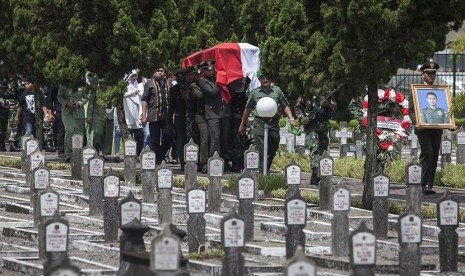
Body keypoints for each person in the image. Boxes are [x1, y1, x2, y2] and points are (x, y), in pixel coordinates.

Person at [239, 70, 295, 171]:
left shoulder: (276, 91)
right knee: (262, 148)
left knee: (273, 146)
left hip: (273, 122)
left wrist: (291, 118)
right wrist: (242, 124)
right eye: (262, 78)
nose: (265, 80)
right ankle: (262, 170)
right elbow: (247, 109)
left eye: (267, 78)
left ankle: (266, 166)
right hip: (259, 122)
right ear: (259, 80)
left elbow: (285, 105)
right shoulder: (255, 93)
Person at [409, 61, 443, 195]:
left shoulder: (440, 91)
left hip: (436, 128)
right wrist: (417, 122)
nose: (431, 76)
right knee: (427, 152)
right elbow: (411, 110)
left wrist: (450, 123)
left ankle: (429, 184)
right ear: (423, 75)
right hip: (422, 128)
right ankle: (423, 183)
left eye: (433, 74)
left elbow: (445, 111)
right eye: (429, 74)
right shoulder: (417, 90)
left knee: (434, 154)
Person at [296, 95, 337, 185]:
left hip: (322, 126)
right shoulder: (306, 92)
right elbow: (297, 108)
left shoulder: (328, 93)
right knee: (314, 148)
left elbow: (334, 110)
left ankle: (321, 174)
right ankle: (315, 173)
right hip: (311, 127)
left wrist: (328, 106)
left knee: (323, 149)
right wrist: (301, 118)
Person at [198, 60, 232, 165]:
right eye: (208, 69)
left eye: (212, 68)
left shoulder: (217, 79)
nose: (211, 71)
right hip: (213, 113)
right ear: (203, 71)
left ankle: (224, 161)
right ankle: (215, 161)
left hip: (225, 112)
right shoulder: (203, 81)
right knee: (215, 138)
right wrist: (220, 81)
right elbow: (212, 92)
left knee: (224, 138)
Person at [141, 67, 171, 163]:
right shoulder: (149, 83)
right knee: (154, 139)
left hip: (166, 115)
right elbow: (145, 99)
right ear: (154, 73)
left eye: (162, 71)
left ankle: (160, 156)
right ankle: (156, 161)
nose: (160, 73)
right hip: (154, 115)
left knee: (169, 136)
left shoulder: (168, 83)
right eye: (158, 71)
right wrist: (144, 115)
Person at [57, 84, 88, 162]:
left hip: (79, 112)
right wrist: (66, 104)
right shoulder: (63, 84)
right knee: (69, 131)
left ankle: (77, 154)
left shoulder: (82, 84)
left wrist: (79, 103)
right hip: (67, 112)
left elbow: (86, 98)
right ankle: (68, 154)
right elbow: (59, 97)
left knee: (79, 133)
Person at [86, 79, 114, 158]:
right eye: (100, 83)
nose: (102, 85)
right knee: (98, 132)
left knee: (108, 135)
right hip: (97, 116)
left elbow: (114, 104)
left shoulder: (111, 92)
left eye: (103, 83)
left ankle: (105, 152)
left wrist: (108, 114)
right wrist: (89, 116)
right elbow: (90, 104)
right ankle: (96, 149)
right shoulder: (95, 92)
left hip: (109, 116)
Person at [167, 68, 188, 168]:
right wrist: (169, 122)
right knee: (181, 140)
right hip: (180, 117)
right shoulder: (174, 90)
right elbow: (171, 107)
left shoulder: (189, 87)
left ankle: (191, 160)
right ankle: (183, 161)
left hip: (190, 115)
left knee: (191, 139)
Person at [123, 69, 144, 157]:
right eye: (132, 76)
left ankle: (138, 153)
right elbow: (124, 94)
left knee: (140, 136)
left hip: (137, 115)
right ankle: (129, 154)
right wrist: (132, 92)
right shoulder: (125, 87)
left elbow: (142, 96)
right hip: (128, 114)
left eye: (135, 76)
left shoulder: (139, 86)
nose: (134, 77)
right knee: (129, 138)